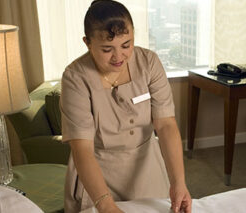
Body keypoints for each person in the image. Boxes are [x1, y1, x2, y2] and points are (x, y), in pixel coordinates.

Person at [60, 0, 192, 212]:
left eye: (126, 44)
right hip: (97, 177)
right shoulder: (75, 77)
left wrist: (179, 182)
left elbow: (166, 124)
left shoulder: (148, 62)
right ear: (87, 43)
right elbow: (82, 148)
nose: (119, 57)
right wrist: (105, 205)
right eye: (107, 49)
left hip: (147, 171)